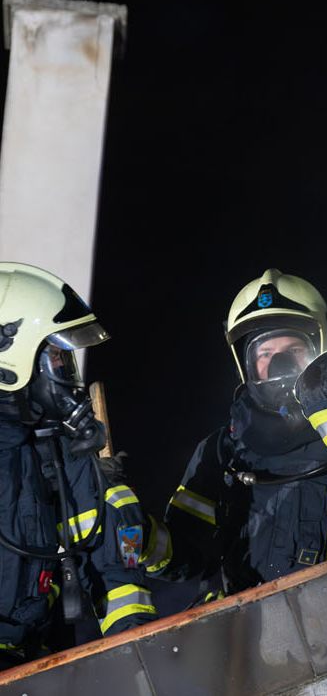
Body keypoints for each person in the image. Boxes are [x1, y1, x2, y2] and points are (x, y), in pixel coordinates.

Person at [147, 270, 327, 597]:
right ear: (246, 364)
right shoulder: (223, 453)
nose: (279, 364)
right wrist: (141, 535)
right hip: (259, 634)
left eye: (292, 351)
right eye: (265, 354)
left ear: (317, 348)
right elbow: (188, 556)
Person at [0, 262, 157, 667]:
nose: (72, 382)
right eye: (58, 362)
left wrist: (142, 665)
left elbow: (112, 577)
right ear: (11, 362)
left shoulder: (60, 458)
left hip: (33, 669)